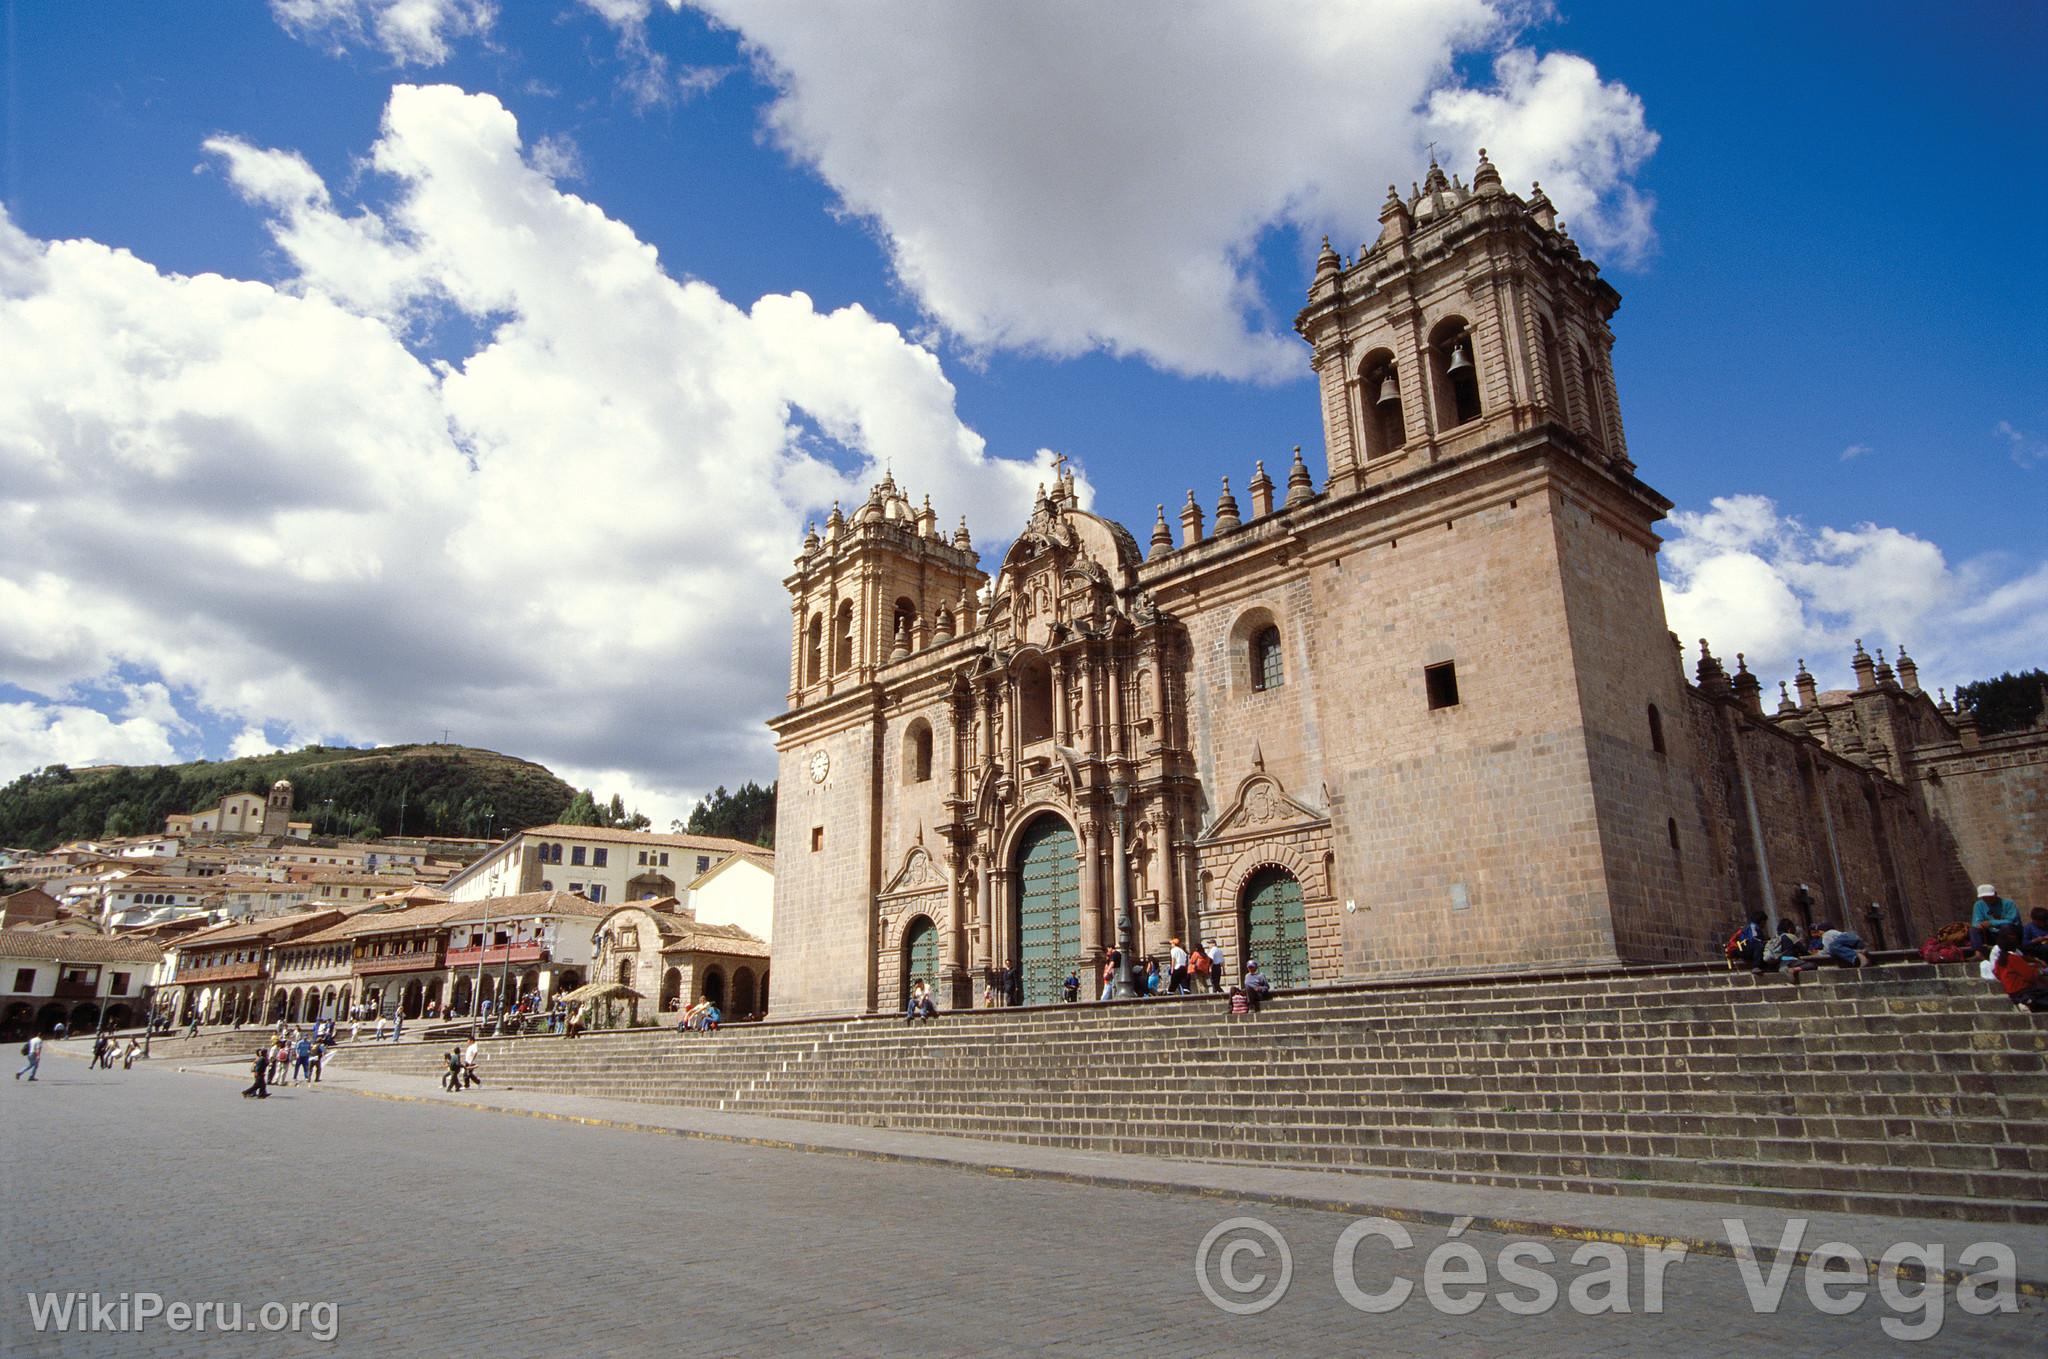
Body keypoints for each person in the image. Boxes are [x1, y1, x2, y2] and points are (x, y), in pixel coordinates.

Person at [1989, 927, 2048, 1011]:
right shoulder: (2013, 958)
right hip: (2023, 991)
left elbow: (1998, 974)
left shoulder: (1999, 960)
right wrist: (2041, 971)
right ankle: (2027, 1002)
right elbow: (2029, 975)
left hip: (2013, 993)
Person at [1971, 885, 2020, 953]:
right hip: (1990, 932)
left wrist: (1992, 923)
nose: (1988, 900)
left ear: (1995, 894)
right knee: (1974, 929)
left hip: (2006, 931)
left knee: (2006, 927)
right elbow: (1976, 921)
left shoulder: (2009, 903)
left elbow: (2011, 920)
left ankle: (2008, 950)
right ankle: (1978, 952)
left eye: (1990, 897)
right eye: (1985, 898)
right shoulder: (1979, 905)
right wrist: (1980, 925)